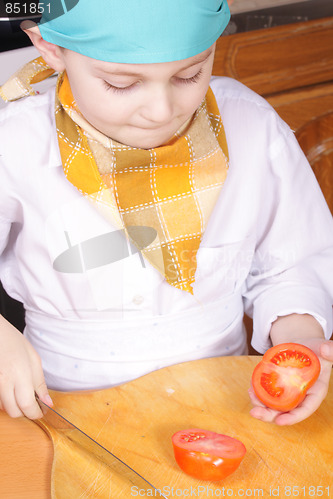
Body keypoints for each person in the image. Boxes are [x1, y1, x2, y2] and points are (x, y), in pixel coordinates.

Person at [0, 0, 332, 425]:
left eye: (189, 74)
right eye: (121, 83)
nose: (162, 110)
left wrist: (300, 343)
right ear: (50, 49)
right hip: (62, 407)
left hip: (226, 404)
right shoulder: (16, 141)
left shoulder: (249, 122)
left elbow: (293, 264)